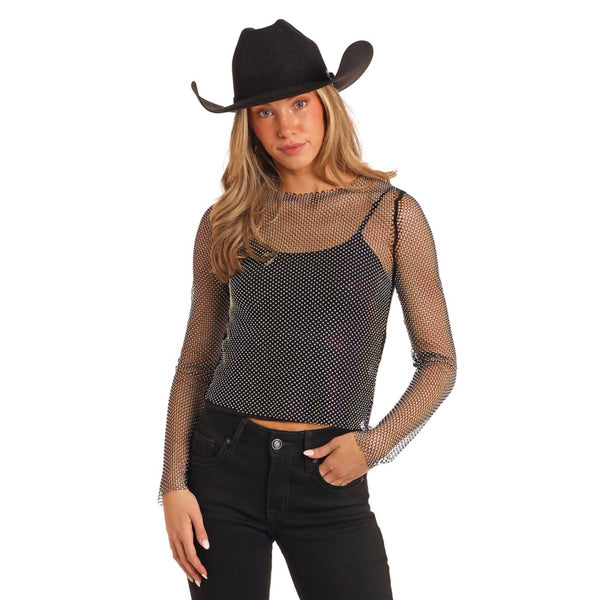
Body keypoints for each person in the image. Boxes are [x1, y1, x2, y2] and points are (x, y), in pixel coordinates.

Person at [158, 19, 456, 600]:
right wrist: (173, 484)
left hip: (330, 474)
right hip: (223, 466)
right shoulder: (225, 221)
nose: (286, 126)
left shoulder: (392, 215)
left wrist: (371, 447)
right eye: (265, 112)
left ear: (326, 105)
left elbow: (439, 361)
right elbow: (196, 360)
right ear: (248, 125)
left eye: (299, 103)